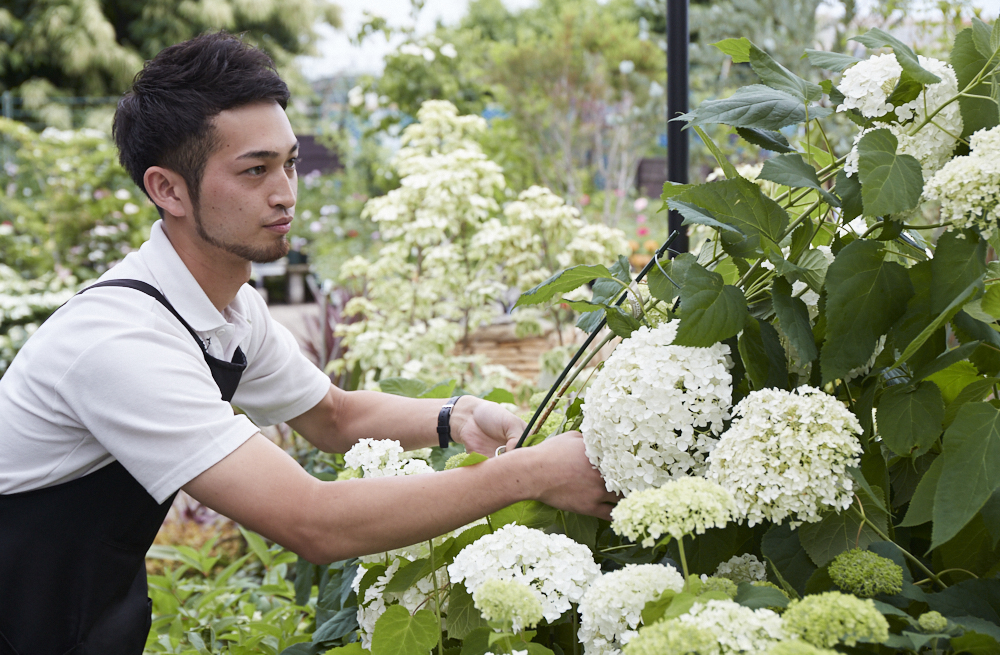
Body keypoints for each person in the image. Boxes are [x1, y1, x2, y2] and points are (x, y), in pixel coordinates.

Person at [0, 32, 616, 654]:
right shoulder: (121, 342)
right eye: (255, 170)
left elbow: (332, 415)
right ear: (168, 190)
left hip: (82, 617)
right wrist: (529, 473)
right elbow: (310, 521)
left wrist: (459, 418)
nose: (286, 194)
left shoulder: (228, 309)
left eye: (290, 163)